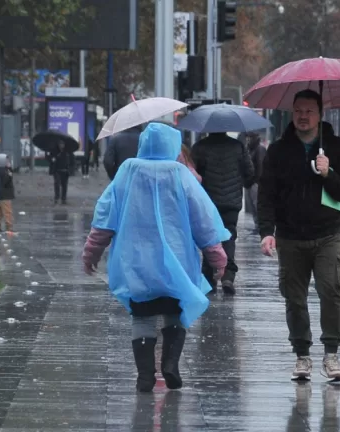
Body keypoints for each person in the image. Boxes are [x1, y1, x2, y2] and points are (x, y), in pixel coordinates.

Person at [82, 122, 230, 393]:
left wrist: (91, 252)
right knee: (174, 313)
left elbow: (105, 217)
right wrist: (218, 257)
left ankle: (145, 375)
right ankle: (170, 364)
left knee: (142, 317)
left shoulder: (127, 171)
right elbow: (203, 220)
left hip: (136, 262)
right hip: (176, 261)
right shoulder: (181, 174)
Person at [258, 89, 340, 381]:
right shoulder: (277, 151)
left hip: (328, 233)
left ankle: (331, 354)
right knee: (295, 298)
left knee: (331, 291)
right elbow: (266, 195)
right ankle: (302, 355)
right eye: (298, 111)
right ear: (293, 113)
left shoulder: (337, 148)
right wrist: (267, 232)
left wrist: (329, 174)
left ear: (319, 115)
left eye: (309, 111)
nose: (303, 116)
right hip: (290, 236)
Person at [191, 132, 255, 295]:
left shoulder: (200, 147)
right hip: (231, 203)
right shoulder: (238, 146)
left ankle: (208, 276)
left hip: (208, 202)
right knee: (229, 237)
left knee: (209, 237)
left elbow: (192, 174)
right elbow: (249, 173)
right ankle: (228, 275)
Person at [244, 132, 267, 230]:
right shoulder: (249, 149)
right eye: (247, 137)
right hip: (250, 182)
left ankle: (261, 225)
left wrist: (256, 181)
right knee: (252, 207)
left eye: (250, 137)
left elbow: (260, 167)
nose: (248, 140)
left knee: (256, 205)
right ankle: (258, 225)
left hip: (255, 183)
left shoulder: (259, 149)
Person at [0, 153, 15, 232]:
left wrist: (9, 170)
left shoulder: (0, 170)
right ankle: (9, 227)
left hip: (1, 194)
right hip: (5, 194)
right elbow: (6, 182)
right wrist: (9, 174)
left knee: (0, 211)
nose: (8, 161)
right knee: (7, 211)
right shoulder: (3, 172)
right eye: (6, 160)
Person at [50, 140, 74, 205]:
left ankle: (63, 199)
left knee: (64, 185)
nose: (61, 145)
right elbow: (51, 159)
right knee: (57, 184)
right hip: (57, 170)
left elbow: (72, 160)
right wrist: (53, 158)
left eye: (62, 144)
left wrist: (71, 169)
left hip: (65, 171)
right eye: (60, 143)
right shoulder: (54, 151)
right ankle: (57, 197)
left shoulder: (68, 151)